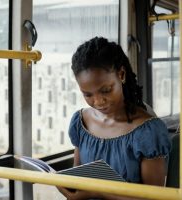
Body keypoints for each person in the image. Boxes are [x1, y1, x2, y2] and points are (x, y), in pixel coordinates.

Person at [58, 37, 172, 200]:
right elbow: (78, 178)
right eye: (88, 95)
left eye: (105, 90)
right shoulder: (81, 122)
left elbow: (153, 197)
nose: (97, 102)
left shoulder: (148, 132)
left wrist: (97, 192)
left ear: (122, 74)